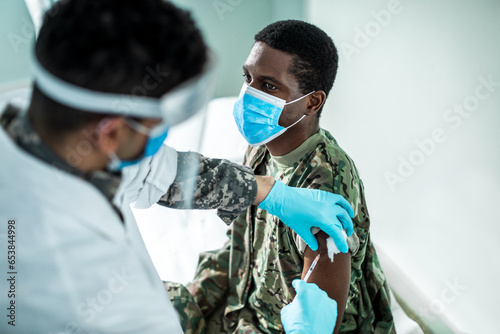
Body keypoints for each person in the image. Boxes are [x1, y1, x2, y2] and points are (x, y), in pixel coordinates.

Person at [0, 1, 353, 333]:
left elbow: (162, 172)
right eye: (158, 125)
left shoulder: (52, 132)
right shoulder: (89, 288)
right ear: (111, 133)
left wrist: (268, 191)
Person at [166, 20, 395, 333]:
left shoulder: (325, 185)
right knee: (157, 305)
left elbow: (317, 321)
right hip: (244, 311)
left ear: (312, 102)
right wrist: (194, 300)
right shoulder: (260, 147)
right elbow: (241, 245)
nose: (249, 94)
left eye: (269, 86)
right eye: (248, 78)